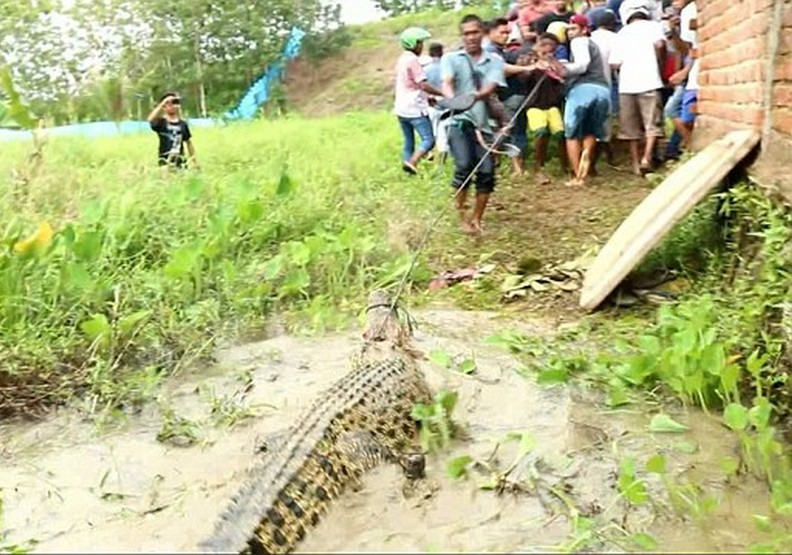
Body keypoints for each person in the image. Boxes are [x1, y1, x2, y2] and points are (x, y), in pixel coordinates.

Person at [441, 14, 507, 235]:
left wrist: (473, 98)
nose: (470, 37)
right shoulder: (451, 59)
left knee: (487, 172)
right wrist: (454, 101)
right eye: (466, 33)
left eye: (474, 32)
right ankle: (461, 215)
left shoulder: (495, 61)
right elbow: (447, 83)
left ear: (483, 33)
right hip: (458, 121)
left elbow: (490, 87)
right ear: (461, 36)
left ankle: (477, 219)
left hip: (484, 124)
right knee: (463, 165)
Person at [541, 13, 611, 186]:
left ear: (584, 29)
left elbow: (581, 65)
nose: (570, 32)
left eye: (574, 28)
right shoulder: (594, 44)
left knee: (571, 134)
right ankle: (586, 155)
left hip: (582, 91)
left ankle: (577, 176)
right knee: (590, 131)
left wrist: (560, 67)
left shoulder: (579, 41)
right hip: (601, 90)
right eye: (569, 29)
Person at [609, 4, 666, 174]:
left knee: (630, 127)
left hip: (627, 84)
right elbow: (661, 46)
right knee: (652, 123)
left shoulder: (621, 33)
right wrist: (660, 65)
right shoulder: (655, 27)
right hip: (650, 80)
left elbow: (614, 63)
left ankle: (635, 164)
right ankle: (646, 157)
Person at [394, 27, 444, 174]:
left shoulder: (402, 59)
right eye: (420, 43)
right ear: (413, 44)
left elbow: (410, 83)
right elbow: (422, 84)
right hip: (414, 108)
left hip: (401, 108)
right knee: (429, 140)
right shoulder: (413, 61)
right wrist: (441, 93)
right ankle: (413, 161)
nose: (422, 46)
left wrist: (427, 97)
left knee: (409, 141)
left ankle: (408, 169)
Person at [524, 33, 568, 183]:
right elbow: (523, 76)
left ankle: (566, 167)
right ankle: (538, 168)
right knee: (541, 132)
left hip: (552, 104)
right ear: (538, 44)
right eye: (544, 45)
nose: (547, 49)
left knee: (561, 134)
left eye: (551, 47)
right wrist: (534, 64)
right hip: (535, 104)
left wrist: (551, 61)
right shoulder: (527, 58)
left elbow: (563, 74)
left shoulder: (553, 61)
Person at [589, 9, 619, 167]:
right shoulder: (616, 38)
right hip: (606, 84)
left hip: (586, 85)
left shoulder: (588, 38)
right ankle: (603, 155)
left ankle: (599, 156)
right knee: (605, 121)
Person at [148, 92, 198, 170]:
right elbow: (150, 120)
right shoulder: (161, 123)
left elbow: (188, 142)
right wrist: (162, 104)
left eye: (175, 103)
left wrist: (194, 161)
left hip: (180, 161)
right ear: (164, 107)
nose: (172, 106)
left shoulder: (183, 124)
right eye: (169, 104)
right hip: (164, 160)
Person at [423, 42, 450, 164]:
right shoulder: (447, 67)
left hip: (431, 103)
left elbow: (423, 88)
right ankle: (443, 157)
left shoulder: (425, 69)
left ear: (429, 53)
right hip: (447, 103)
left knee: (432, 132)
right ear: (442, 52)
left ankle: (429, 153)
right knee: (444, 132)